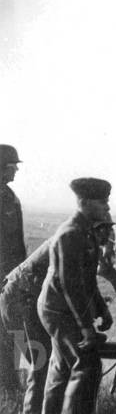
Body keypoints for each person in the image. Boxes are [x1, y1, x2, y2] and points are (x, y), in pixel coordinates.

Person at [1, 219, 116, 414]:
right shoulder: (70, 244)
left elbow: (89, 283)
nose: (109, 235)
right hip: (19, 299)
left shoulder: (85, 246)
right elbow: (71, 289)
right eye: (105, 229)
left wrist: (102, 310)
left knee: (52, 359)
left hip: (28, 299)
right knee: (40, 359)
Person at [36, 178, 113, 414]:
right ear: (84, 202)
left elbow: (88, 280)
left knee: (61, 370)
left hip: (62, 308)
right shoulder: (70, 234)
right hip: (58, 310)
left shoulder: (85, 232)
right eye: (102, 202)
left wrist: (102, 310)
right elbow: (70, 285)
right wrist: (86, 328)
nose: (107, 207)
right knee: (87, 363)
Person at [0, 144, 26, 396]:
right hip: (4, 276)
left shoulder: (9, 196)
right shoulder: (5, 198)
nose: (16, 170)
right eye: (12, 166)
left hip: (10, 275)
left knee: (12, 330)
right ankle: (8, 386)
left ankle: (10, 384)